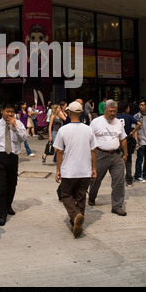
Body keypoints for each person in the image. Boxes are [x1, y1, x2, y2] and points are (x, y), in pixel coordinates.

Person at [54, 101, 97, 238]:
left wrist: (58, 170)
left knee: (66, 195)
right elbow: (93, 151)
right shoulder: (88, 129)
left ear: (69, 113)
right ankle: (77, 223)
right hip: (85, 170)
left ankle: (75, 215)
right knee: (81, 196)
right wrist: (94, 169)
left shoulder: (63, 130)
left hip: (69, 170)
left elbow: (59, 152)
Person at [0, 103, 28, 227]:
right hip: (0, 156)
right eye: (7, 111)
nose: (9, 114)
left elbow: (24, 138)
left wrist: (15, 126)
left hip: (13, 156)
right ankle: (2, 213)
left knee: (12, 183)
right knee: (1, 185)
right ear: (2, 111)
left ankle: (8, 205)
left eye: (12, 111)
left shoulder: (18, 124)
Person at [88, 99, 128, 216]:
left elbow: (123, 138)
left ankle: (117, 206)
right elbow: (89, 138)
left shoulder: (118, 122)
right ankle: (91, 197)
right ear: (105, 110)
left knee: (119, 181)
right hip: (100, 155)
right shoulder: (96, 122)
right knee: (95, 180)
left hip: (116, 155)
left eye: (115, 111)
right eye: (110, 111)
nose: (113, 114)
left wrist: (125, 154)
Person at [117, 101, 141, 188]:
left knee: (117, 161)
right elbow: (139, 124)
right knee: (128, 160)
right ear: (126, 109)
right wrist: (133, 131)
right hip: (127, 140)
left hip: (117, 141)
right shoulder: (129, 117)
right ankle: (129, 181)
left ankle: (117, 179)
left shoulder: (116, 117)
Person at [134, 100, 146, 182]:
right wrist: (136, 142)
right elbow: (134, 129)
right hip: (141, 140)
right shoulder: (136, 116)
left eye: (143, 105)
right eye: (140, 105)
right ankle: (138, 175)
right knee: (140, 159)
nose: (141, 106)